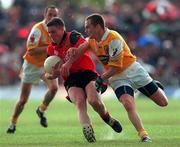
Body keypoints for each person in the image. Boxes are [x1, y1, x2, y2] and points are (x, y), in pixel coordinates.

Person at [63, 13, 169, 142]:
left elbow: (116, 67)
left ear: (98, 27)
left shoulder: (114, 38)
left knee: (163, 103)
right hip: (117, 78)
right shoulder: (91, 40)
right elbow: (80, 50)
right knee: (128, 104)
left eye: (88, 27)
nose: (85, 30)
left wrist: (100, 78)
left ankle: (155, 85)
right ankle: (143, 135)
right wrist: (70, 59)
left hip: (133, 70)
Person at [45, 17, 122, 143]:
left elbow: (82, 48)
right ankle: (87, 129)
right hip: (71, 79)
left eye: (53, 32)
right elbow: (47, 74)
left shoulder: (73, 36)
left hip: (87, 74)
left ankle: (107, 118)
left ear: (62, 29)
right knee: (80, 102)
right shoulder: (50, 50)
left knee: (94, 101)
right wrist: (53, 75)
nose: (51, 35)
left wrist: (68, 63)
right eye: (49, 33)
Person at [7, 6, 59, 133]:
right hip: (32, 65)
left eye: (55, 15)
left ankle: (41, 109)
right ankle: (13, 122)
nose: (52, 17)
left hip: (46, 65)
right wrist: (49, 48)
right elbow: (31, 50)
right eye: (50, 14)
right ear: (45, 14)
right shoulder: (37, 29)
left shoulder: (58, 29)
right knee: (23, 100)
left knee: (54, 88)